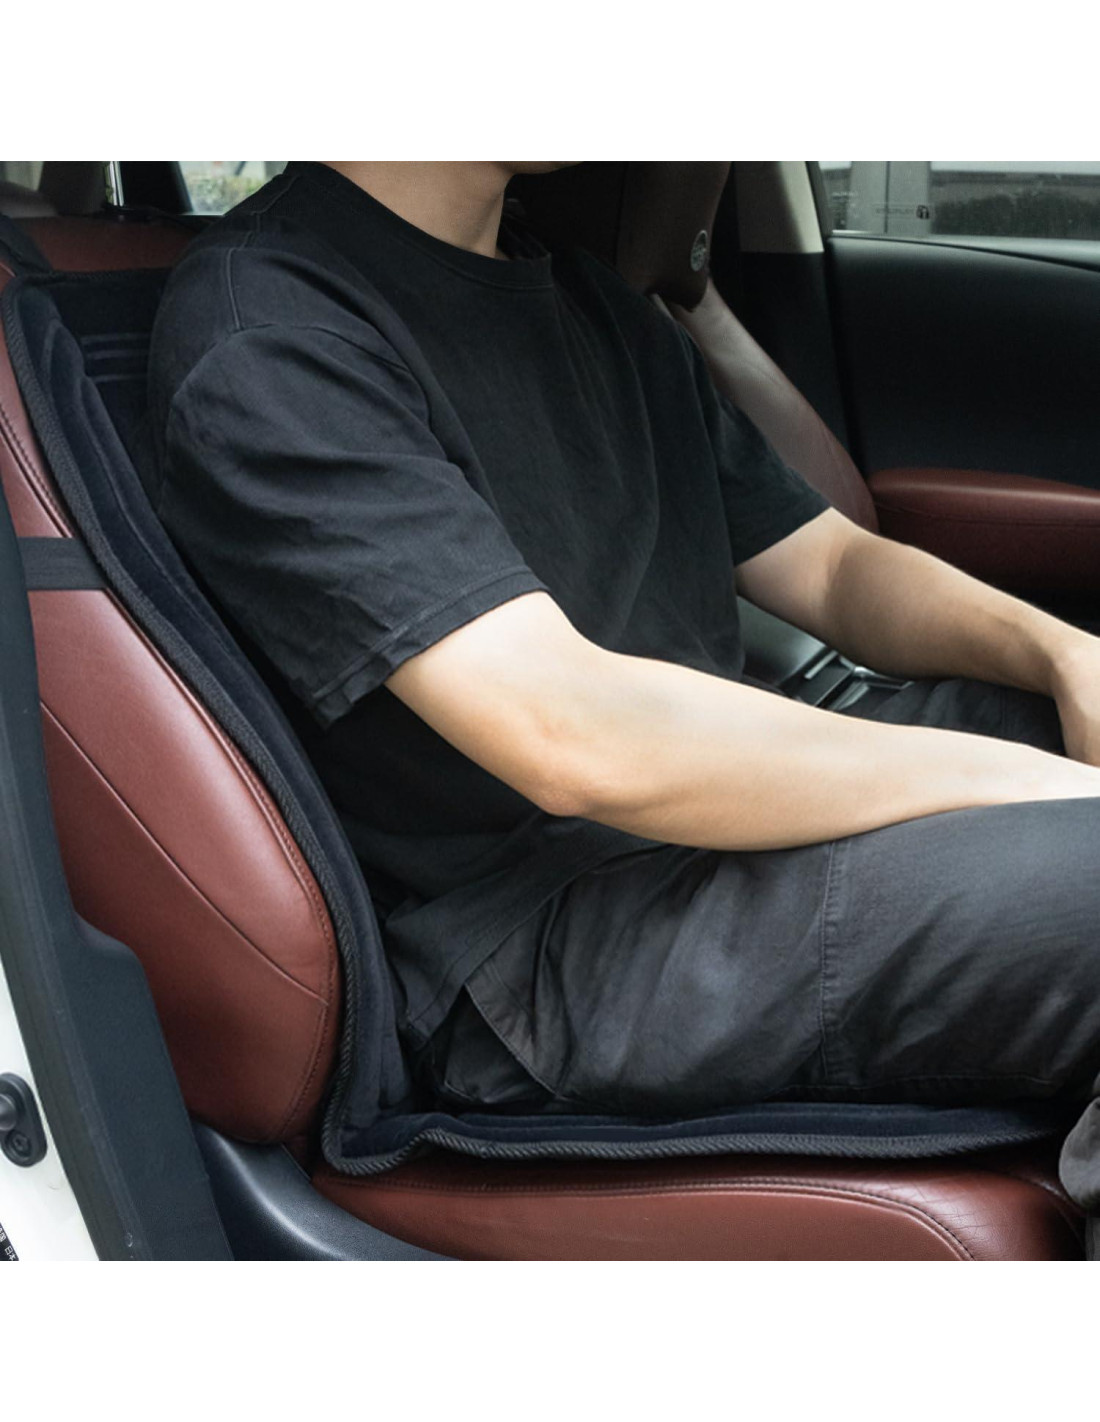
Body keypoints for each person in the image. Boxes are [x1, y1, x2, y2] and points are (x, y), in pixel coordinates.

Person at [147, 161, 1100, 1249]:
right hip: (548, 942)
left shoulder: (585, 301)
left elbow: (831, 566)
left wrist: (1064, 654)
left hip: (702, 838)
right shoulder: (271, 336)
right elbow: (574, 737)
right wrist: (1035, 785)